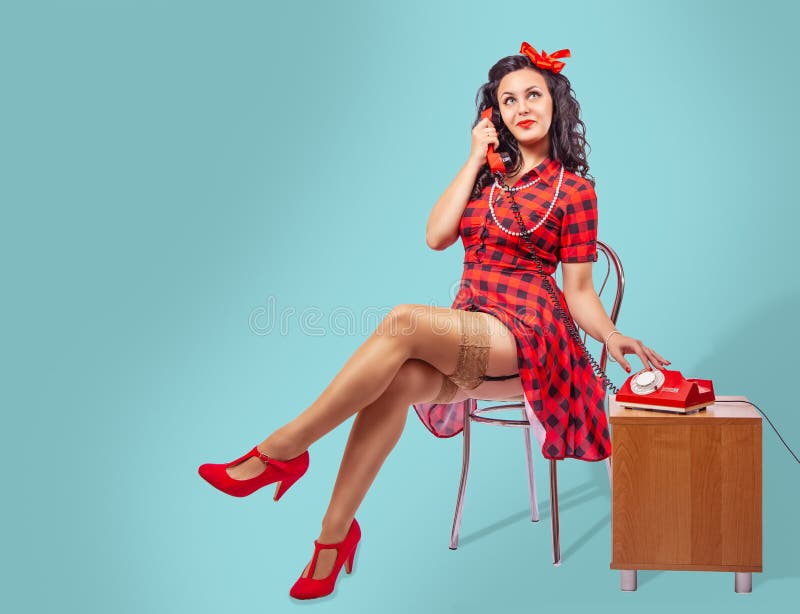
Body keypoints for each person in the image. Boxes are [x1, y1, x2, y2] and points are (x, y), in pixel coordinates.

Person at [197, 41, 669, 600]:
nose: (522, 108)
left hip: (534, 337)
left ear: (555, 103)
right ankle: (331, 540)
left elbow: (580, 291)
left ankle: (284, 449)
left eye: (533, 95)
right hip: (475, 324)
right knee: (395, 385)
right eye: (508, 100)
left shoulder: (575, 191)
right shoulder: (488, 181)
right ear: (493, 117)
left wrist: (611, 335)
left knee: (402, 320)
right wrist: (474, 158)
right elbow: (436, 236)